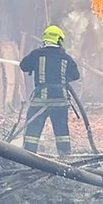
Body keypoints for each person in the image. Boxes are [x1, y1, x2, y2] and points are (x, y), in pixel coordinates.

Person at [19, 25, 80, 157]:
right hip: (60, 101)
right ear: (59, 40)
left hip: (41, 100)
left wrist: (34, 67)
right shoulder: (65, 57)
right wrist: (63, 78)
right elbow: (76, 75)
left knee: (33, 132)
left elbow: (23, 66)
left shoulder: (36, 54)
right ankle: (65, 158)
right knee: (62, 132)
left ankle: (28, 157)